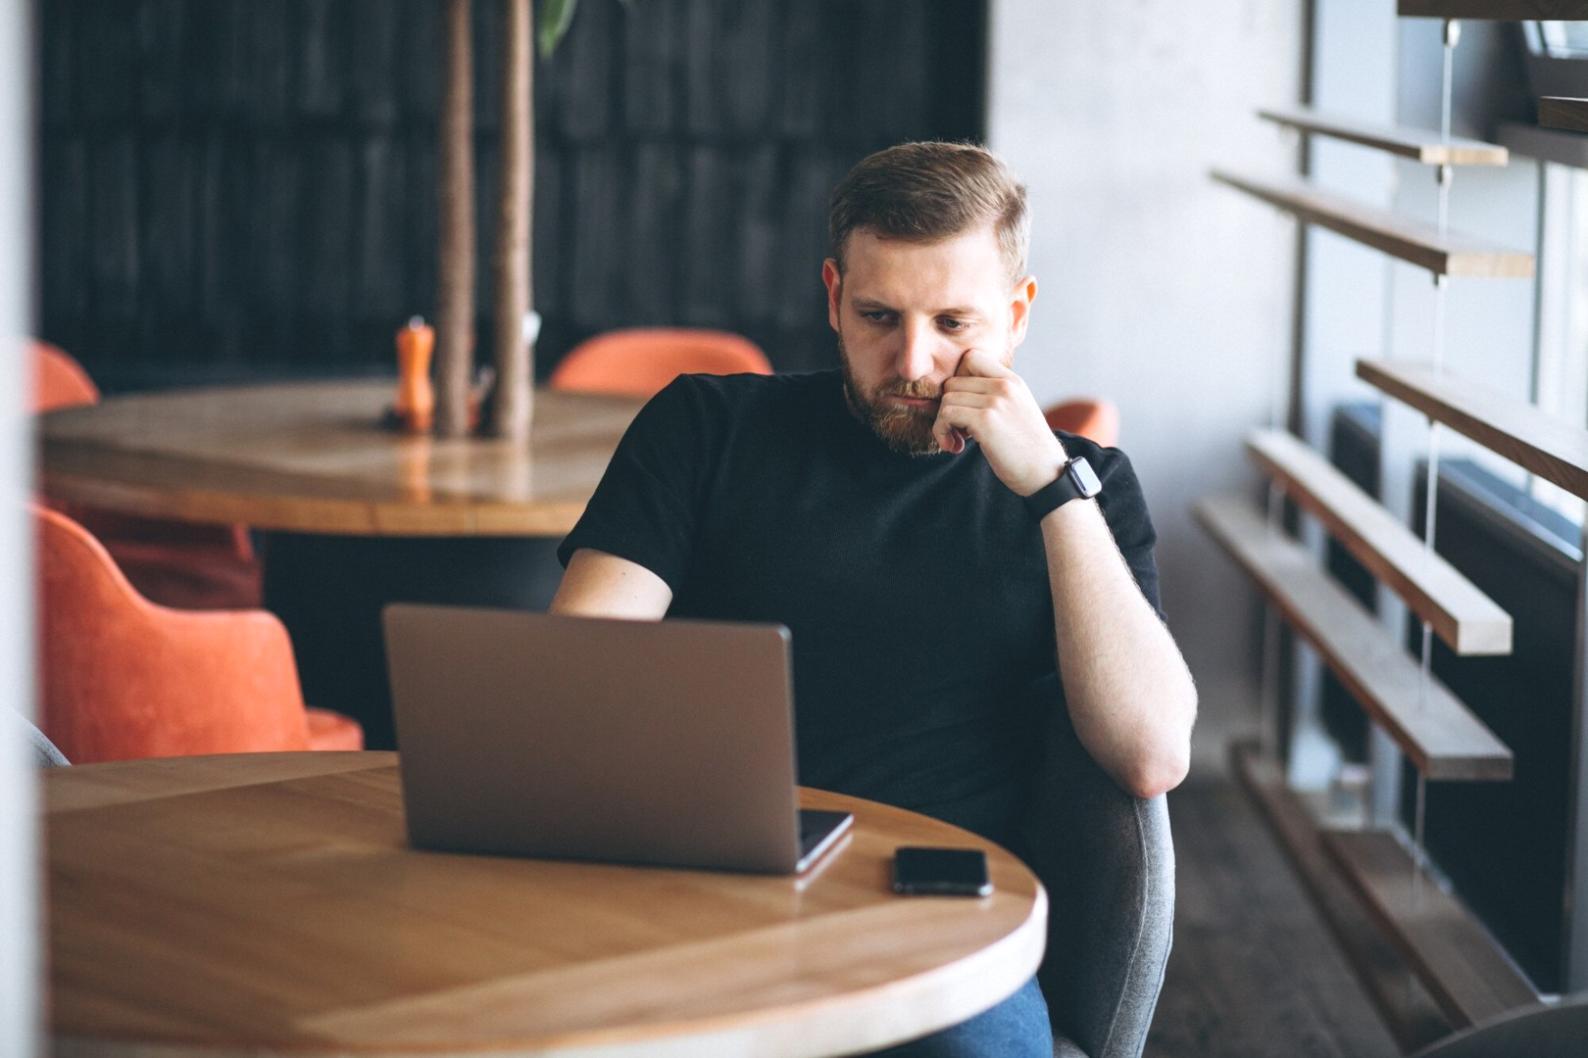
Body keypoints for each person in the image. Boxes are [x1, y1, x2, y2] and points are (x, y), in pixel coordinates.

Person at [550, 141, 1197, 1057]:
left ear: (1017, 314)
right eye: (879, 316)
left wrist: (1053, 492)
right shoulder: (706, 428)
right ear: (830, 297)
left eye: (955, 324)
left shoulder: (1088, 489)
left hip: (937, 928)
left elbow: (1150, 754)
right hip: (699, 898)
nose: (914, 361)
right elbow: (571, 681)